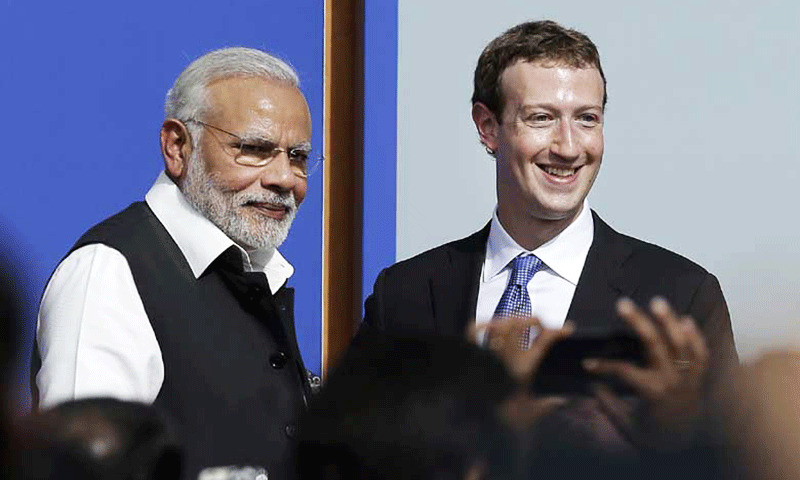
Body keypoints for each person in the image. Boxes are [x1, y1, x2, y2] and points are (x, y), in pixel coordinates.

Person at [363, 20, 738, 452]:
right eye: (542, 118)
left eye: (586, 119)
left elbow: (732, 462)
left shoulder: (682, 297)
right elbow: (358, 458)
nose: (568, 146)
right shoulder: (405, 295)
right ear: (488, 127)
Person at [33, 47, 320, 478]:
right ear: (177, 146)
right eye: (254, 149)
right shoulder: (110, 273)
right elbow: (77, 471)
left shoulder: (257, 273)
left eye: (297, 156)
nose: (283, 178)